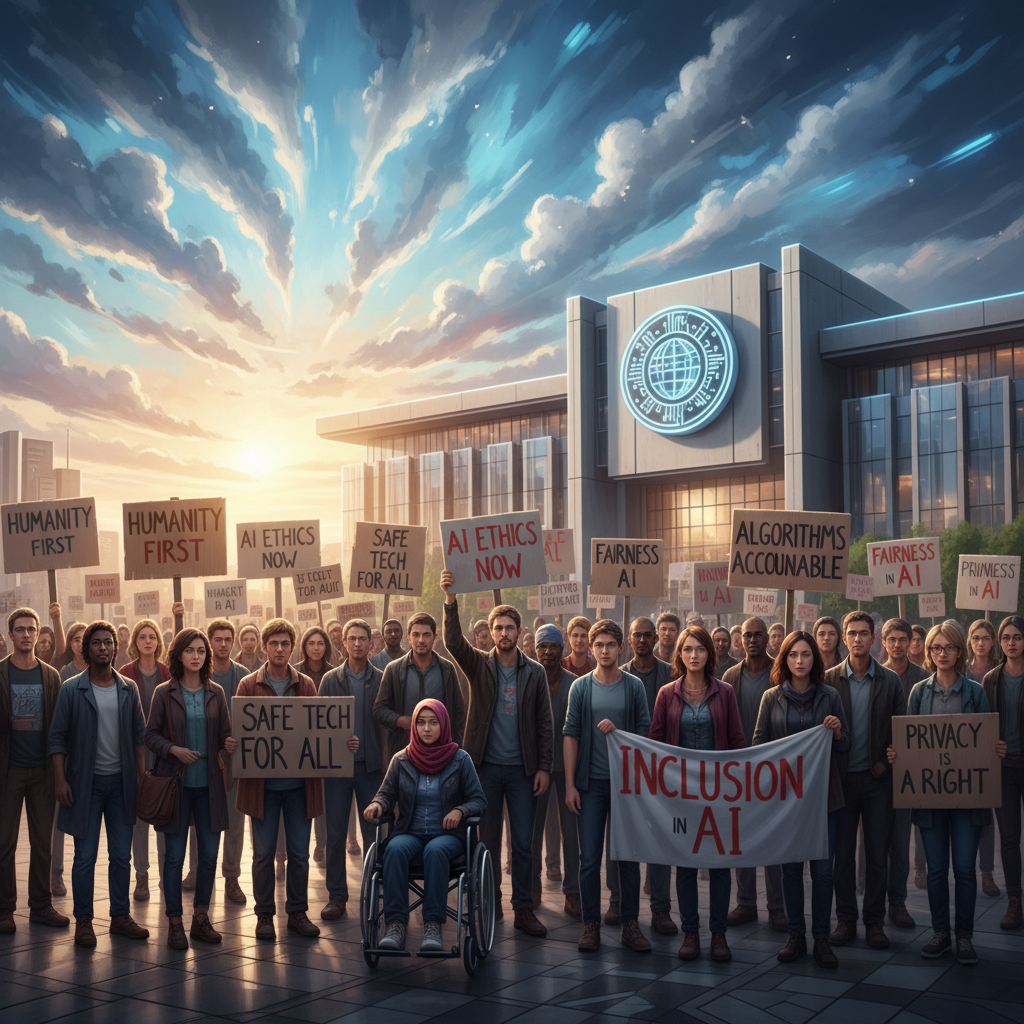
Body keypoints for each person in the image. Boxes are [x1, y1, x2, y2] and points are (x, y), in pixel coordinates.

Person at [440, 571, 551, 936]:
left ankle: (523, 910)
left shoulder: (534, 672)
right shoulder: (479, 665)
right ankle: (489, 903)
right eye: (498, 628)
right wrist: (451, 600)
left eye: (510, 627)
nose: (504, 633)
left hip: (522, 771)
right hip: (484, 769)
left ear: (520, 632)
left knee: (522, 844)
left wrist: (543, 768)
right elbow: (454, 641)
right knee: (485, 843)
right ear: (491, 632)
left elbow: (544, 722)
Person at [889, 621, 1000, 965]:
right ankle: (941, 933)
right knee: (936, 870)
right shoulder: (919, 693)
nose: (941, 653)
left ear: (959, 651)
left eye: (948, 647)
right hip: (930, 797)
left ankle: (964, 936)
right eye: (936, 648)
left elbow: (982, 738)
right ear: (928, 652)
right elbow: (910, 741)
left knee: (965, 869)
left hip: (967, 799)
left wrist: (994, 749)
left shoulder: (975, 692)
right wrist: (898, 753)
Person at [48, 620, 148, 947]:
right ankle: (84, 921)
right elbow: (57, 739)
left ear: (115, 649)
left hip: (121, 785)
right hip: (84, 786)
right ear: (85, 648)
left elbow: (138, 739)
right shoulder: (71, 689)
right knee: (85, 857)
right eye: (96, 643)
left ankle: (119, 916)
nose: (103, 647)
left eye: (108, 642)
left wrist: (140, 779)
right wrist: (60, 780)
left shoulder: (128, 689)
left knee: (121, 856)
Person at [754, 630, 850, 969]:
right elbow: (759, 744)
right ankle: (796, 935)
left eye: (806, 654)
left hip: (824, 798)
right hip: (785, 801)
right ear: (784, 659)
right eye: (793, 654)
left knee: (823, 872)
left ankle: (822, 939)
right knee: (791, 871)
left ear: (815, 659)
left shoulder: (830, 696)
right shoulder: (770, 699)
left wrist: (837, 731)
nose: (799, 660)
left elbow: (844, 746)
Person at [651, 625, 746, 962]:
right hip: (680, 796)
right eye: (688, 649)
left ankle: (718, 934)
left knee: (720, 865)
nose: (693, 655)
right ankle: (690, 932)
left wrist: (738, 786)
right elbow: (656, 744)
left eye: (700, 649)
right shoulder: (666, 694)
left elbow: (736, 740)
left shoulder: (725, 693)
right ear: (680, 654)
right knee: (686, 864)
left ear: (710, 655)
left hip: (719, 793)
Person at [366, 699, 487, 952]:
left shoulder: (460, 759)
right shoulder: (402, 759)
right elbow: (386, 794)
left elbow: (479, 800)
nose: (427, 729)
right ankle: (395, 925)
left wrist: (460, 810)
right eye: (421, 723)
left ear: (443, 725)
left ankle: (433, 924)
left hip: (447, 836)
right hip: (409, 833)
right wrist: (377, 804)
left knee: (435, 850)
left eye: (433, 723)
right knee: (394, 849)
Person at [563, 618, 651, 952]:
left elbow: (645, 733)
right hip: (590, 785)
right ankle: (591, 925)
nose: (603, 650)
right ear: (590, 647)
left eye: (610, 645)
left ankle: (630, 924)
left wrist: (620, 732)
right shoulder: (581, 687)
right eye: (598, 644)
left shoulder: (633, 687)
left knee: (627, 857)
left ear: (621, 647)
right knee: (589, 859)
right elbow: (570, 734)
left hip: (625, 786)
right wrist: (571, 785)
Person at [145, 628, 236, 949]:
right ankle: (174, 922)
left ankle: (200, 917)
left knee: (209, 857)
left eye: (201, 651)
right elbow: (150, 735)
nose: (196, 656)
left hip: (209, 787)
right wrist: (173, 749)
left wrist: (228, 745)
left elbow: (226, 735)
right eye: (190, 651)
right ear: (178, 655)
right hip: (176, 786)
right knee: (174, 858)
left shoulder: (216, 693)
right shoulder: (163, 693)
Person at [234, 618, 325, 941]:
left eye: (285, 643)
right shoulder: (247, 685)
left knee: (300, 853)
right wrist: (233, 742)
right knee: (262, 854)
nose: (280, 649)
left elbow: (318, 730)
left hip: (300, 787)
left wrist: (339, 742)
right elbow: (241, 732)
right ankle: (264, 915)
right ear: (264, 648)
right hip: (263, 789)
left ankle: (297, 912)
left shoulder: (306, 685)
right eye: (273, 643)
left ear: (292, 647)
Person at [826, 610, 906, 950]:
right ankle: (845, 919)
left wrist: (893, 752)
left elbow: (903, 731)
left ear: (874, 639)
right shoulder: (828, 680)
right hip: (840, 781)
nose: (858, 638)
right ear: (845, 638)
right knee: (841, 856)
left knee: (876, 853)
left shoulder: (890, 682)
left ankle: (874, 922)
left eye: (864, 633)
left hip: (877, 780)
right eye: (852, 633)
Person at [0, 607, 69, 934]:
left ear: (39, 634)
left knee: (44, 843)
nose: (26, 635)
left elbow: (58, 730)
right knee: (4, 843)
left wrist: (60, 775)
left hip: (42, 771)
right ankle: (4, 909)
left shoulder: (51, 676)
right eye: (20, 629)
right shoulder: (0, 674)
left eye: (31, 629)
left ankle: (41, 905)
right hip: (8, 771)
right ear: (10, 634)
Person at [721, 617, 786, 930]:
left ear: (768, 639)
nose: (753, 640)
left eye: (759, 635)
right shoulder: (730, 675)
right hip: (737, 771)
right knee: (740, 837)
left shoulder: (780, 672)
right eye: (747, 635)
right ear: (740, 639)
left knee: (774, 840)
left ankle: (777, 907)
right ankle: (745, 902)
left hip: (772, 769)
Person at [318, 619, 381, 920]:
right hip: (337, 770)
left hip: (372, 769)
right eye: (352, 638)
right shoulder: (330, 680)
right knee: (335, 834)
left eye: (363, 638)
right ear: (342, 642)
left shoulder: (383, 678)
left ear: (371, 642)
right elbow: (319, 722)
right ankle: (336, 897)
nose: (357, 643)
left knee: (374, 833)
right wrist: (339, 740)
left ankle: (373, 891)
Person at [622, 616, 676, 935]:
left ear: (656, 638)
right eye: (637, 635)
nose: (642, 640)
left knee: (660, 842)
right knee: (625, 841)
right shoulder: (620, 675)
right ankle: (622, 905)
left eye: (647, 635)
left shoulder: (671, 675)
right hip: (627, 769)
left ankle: (660, 909)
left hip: (663, 771)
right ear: (629, 639)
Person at [877, 616, 930, 929]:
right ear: (883, 642)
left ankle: (897, 902)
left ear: (911, 642)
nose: (897, 645)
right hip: (877, 771)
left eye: (902, 639)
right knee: (874, 843)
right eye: (892, 639)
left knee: (900, 842)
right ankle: (871, 900)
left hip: (911, 773)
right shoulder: (875, 676)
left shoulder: (923, 679)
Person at [118, 619, 171, 903]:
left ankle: (166, 875)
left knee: (163, 814)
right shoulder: (124, 673)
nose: (148, 641)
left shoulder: (168, 672)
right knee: (139, 820)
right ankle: (141, 876)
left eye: (152, 636)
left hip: (163, 752)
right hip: (136, 752)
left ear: (158, 642)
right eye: (142, 637)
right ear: (135, 642)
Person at [530, 624, 581, 918]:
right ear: (536, 650)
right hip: (537, 769)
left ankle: (572, 892)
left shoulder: (575, 683)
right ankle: (533, 888)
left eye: (553, 646)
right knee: (532, 834)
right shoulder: (529, 680)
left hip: (567, 769)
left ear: (561, 650)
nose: (548, 652)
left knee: (571, 835)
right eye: (543, 647)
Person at [374, 612, 466, 764]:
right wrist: (399, 720)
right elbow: (379, 710)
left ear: (434, 637)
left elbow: (459, 714)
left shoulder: (447, 669)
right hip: (405, 752)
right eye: (416, 635)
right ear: (409, 637)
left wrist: (455, 751)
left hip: (441, 753)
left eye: (426, 635)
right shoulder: (394, 670)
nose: (421, 640)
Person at [205, 619, 250, 905]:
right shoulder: (197, 672)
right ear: (210, 642)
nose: (223, 644)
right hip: (203, 761)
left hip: (236, 763)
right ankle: (199, 873)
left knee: (235, 825)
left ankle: (232, 877)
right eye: (218, 639)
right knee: (201, 824)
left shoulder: (244, 676)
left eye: (227, 639)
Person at [983, 615, 1024, 930]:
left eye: (1017, 637)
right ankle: (1014, 902)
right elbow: (983, 726)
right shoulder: (991, 680)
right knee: (1009, 839)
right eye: (1007, 637)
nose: (1012, 643)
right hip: (1004, 768)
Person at [297, 625, 334, 690]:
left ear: (326, 646)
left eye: (320, 643)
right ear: (304, 646)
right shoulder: (294, 672)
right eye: (311, 643)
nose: (316, 648)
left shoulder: (334, 674)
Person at [35, 602, 66, 666]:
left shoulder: (53, 665)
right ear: (35, 645)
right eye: (43, 642)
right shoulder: (28, 664)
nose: (46, 645)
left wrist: (57, 618)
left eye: (50, 643)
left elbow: (61, 651)